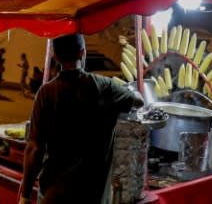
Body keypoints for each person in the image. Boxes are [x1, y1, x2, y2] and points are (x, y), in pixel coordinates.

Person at [18, 34, 144, 204]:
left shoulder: (46, 92)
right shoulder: (105, 86)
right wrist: (132, 92)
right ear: (82, 53)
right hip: (92, 194)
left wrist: (25, 195)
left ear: (55, 57)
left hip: (54, 194)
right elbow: (138, 101)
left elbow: (34, 148)